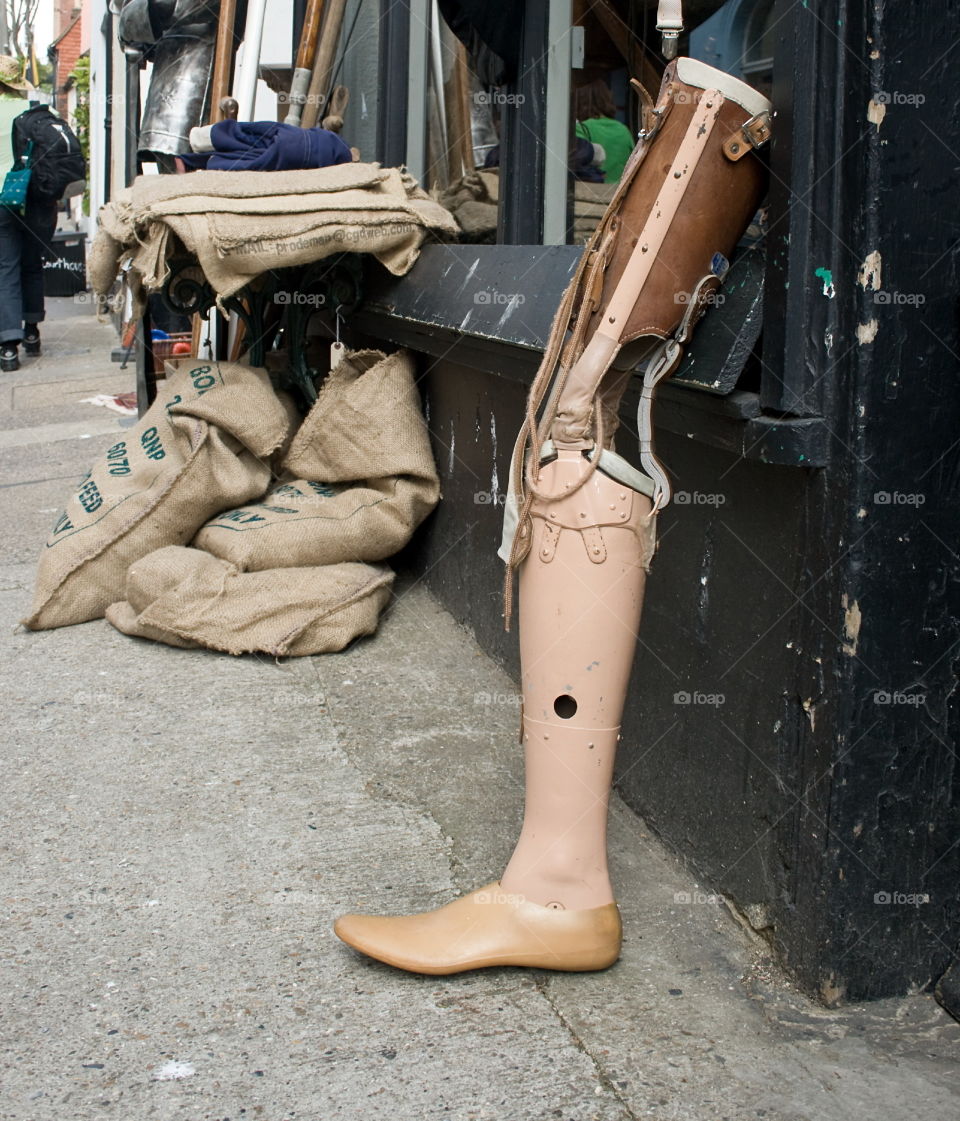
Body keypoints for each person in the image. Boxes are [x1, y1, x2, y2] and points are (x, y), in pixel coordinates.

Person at [0, 55, 56, 373]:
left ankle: (9, 346)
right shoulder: (36, 113)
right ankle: (32, 333)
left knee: (6, 269)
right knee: (32, 265)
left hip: (2, 200)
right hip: (36, 199)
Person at [574, 79, 635, 184]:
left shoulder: (581, 128)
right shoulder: (624, 131)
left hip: (590, 194)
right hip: (621, 195)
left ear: (580, 102)